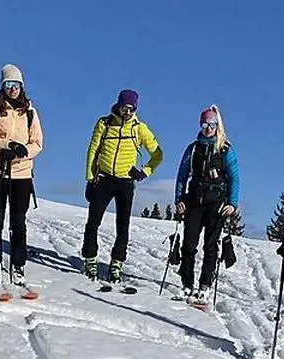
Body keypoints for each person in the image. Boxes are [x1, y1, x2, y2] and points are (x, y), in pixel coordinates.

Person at [81, 89, 163, 284]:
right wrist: (90, 179)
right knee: (93, 221)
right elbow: (92, 150)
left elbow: (158, 154)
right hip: (103, 179)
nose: (128, 112)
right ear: (118, 105)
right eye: (125, 108)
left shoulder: (139, 128)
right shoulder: (104, 124)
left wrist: (144, 172)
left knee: (123, 226)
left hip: (126, 182)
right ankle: (90, 259)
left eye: (132, 109)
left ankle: (117, 263)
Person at [0, 63, 43, 287]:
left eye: (16, 84)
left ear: (22, 86)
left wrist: (23, 151)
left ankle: (18, 265)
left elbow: (37, 142)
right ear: (2, 86)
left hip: (22, 173)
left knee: (18, 221)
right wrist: (7, 145)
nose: (12, 89)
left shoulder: (30, 111)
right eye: (8, 84)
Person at [173, 105, 239, 303]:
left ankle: (205, 286)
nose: (208, 128)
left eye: (212, 125)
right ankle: (187, 284)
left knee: (211, 247)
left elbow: (234, 178)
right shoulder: (193, 149)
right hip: (194, 202)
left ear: (217, 126)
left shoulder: (225, 149)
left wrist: (232, 203)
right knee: (188, 245)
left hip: (216, 205)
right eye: (205, 124)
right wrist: (179, 199)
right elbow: (182, 176)